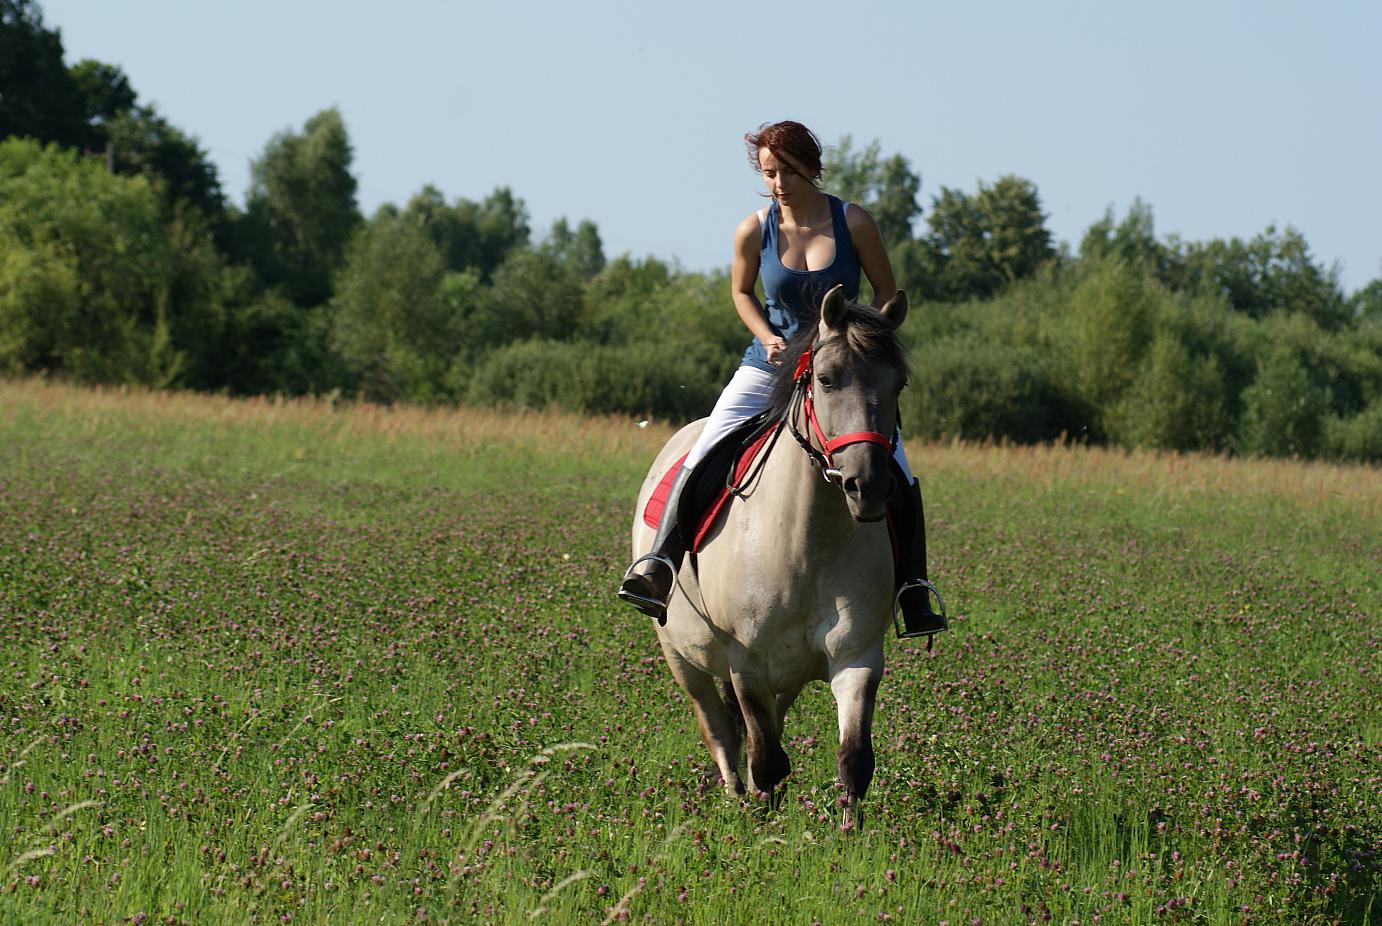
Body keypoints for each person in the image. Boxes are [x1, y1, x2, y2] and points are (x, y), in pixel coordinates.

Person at [618, 120, 947, 637]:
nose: (778, 183)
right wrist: (767, 336)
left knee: (897, 468)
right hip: (767, 366)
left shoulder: (854, 222)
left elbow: (886, 293)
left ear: (811, 167)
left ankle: (913, 589)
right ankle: (659, 564)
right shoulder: (753, 229)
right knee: (705, 448)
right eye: (769, 173)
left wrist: (861, 342)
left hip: (840, 370)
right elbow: (741, 292)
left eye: (788, 171)